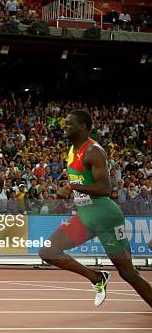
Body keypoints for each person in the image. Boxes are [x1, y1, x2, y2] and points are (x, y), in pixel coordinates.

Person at [39, 109, 152, 308]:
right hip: (85, 215)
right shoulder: (73, 149)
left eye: (69, 123)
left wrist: (72, 186)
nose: (64, 126)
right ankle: (97, 277)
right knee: (48, 251)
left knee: (128, 274)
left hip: (105, 216)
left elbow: (105, 188)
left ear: (82, 126)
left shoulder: (93, 151)